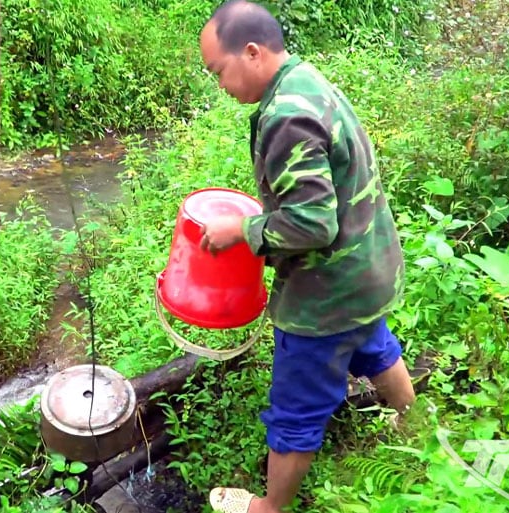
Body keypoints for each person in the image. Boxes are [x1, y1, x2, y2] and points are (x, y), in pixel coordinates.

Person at [195, 1, 417, 512]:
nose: (220, 85)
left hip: (327, 295)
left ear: (251, 52)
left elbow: (314, 224)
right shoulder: (306, 79)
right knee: (372, 341)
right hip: (368, 271)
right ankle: (416, 425)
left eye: (219, 72)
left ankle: (269, 507)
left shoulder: (287, 115)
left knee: (296, 407)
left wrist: (244, 229)